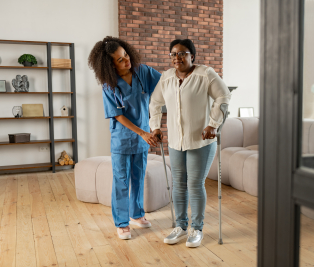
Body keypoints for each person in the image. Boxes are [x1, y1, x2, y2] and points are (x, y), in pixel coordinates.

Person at [149, 39, 231, 248]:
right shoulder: (166, 77)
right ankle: (180, 226)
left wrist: (213, 124)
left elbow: (223, 96)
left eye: (183, 53)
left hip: (200, 142)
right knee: (179, 185)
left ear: (192, 56)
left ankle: (197, 229)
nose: (177, 57)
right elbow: (155, 102)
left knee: (194, 184)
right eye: (174, 54)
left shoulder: (205, 74)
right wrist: (156, 127)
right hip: (176, 141)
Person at [88, 36, 161, 240]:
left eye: (126, 55)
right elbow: (118, 115)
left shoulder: (143, 72)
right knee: (121, 180)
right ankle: (121, 223)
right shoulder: (109, 85)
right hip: (122, 139)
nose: (127, 61)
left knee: (139, 177)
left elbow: (164, 87)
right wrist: (143, 133)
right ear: (110, 64)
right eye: (120, 59)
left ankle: (137, 215)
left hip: (144, 137)